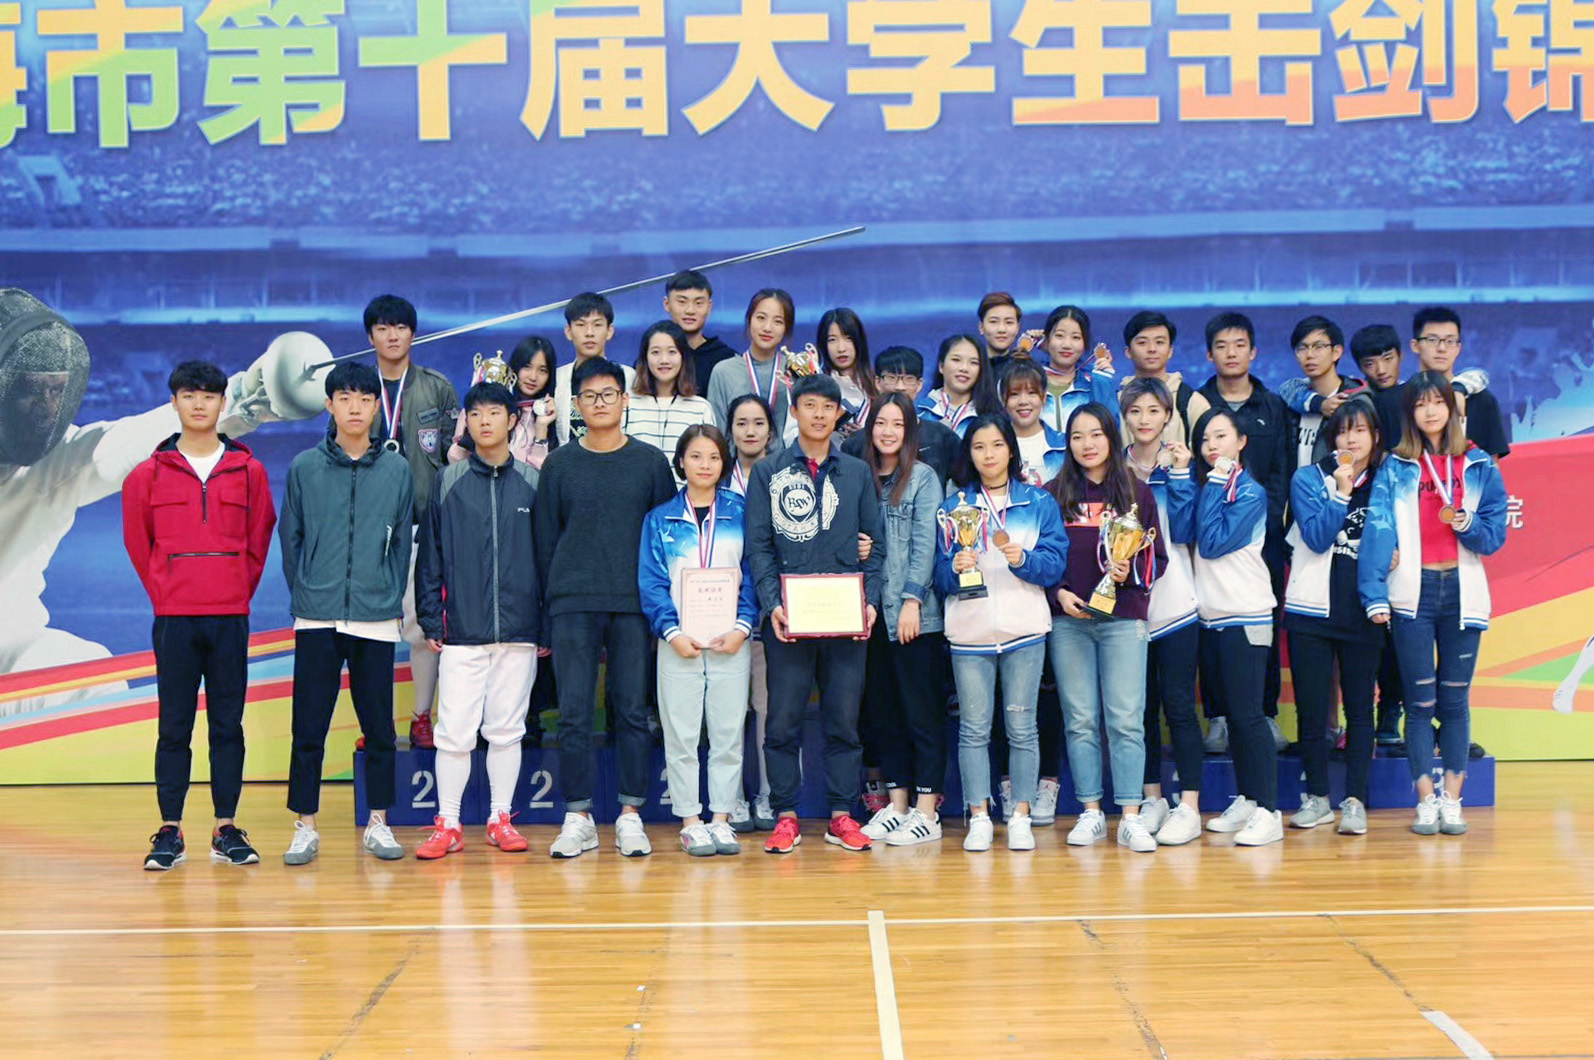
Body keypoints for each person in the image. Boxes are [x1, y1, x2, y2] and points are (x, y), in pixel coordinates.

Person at [2, 289, 323, 718]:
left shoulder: (53, 463)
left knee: (86, 677)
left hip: (11, 657)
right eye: (31, 390)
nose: (47, 408)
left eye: (56, 391)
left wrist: (249, 396)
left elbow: (127, 443)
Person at [123, 361, 277, 871]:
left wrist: (233, 590)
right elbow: (138, 543)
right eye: (188, 395)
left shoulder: (250, 472)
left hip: (229, 616)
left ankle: (225, 827)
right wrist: (167, 592)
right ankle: (170, 829)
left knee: (228, 725)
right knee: (174, 726)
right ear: (173, 402)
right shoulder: (146, 474)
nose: (198, 404)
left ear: (222, 403)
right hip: (175, 618)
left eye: (209, 396)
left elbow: (258, 540)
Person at [534, 358, 677, 859]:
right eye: (590, 396)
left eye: (608, 394)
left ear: (625, 399)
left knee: (632, 711)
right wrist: (549, 606)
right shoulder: (559, 465)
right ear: (576, 404)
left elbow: (664, 538)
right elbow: (545, 542)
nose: (600, 403)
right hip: (573, 603)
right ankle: (578, 817)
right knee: (574, 712)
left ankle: (630, 815)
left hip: (634, 604)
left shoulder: (650, 463)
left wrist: (662, 606)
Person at [1360, 373, 1508, 836]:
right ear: (1410, 413)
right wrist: (1374, 592)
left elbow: (1494, 536)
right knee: (1420, 702)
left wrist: (1469, 525)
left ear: (1452, 408)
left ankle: (1454, 802)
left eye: (1437, 402)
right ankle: (1426, 800)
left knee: (1455, 701)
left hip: (1462, 592)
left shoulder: (1478, 463)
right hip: (1414, 594)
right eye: (1420, 404)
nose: (1429, 411)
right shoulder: (1397, 466)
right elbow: (1378, 529)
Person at [278, 361, 414, 865]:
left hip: (375, 617)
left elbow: (402, 544)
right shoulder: (304, 468)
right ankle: (305, 825)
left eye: (364, 398)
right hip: (317, 615)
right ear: (330, 405)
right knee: (308, 727)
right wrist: (307, 590)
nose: (355, 407)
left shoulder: (397, 470)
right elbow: (290, 539)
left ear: (376, 406)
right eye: (345, 398)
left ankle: (379, 822)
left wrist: (387, 593)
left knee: (379, 728)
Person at [744, 373, 884, 854]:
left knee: (844, 721)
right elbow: (759, 547)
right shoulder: (768, 472)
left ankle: (842, 815)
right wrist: (773, 604)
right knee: (782, 721)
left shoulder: (857, 473)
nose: (820, 414)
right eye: (810, 405)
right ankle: (785, 815)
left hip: (846, 620)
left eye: (828, 407)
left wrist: (870, 602)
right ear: (795, 410)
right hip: (789, 619)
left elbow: (876, 547)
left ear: (838, 414)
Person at [412, 382, 545, 860]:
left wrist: (545, 623)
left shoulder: (533, 482)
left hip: (519, 629)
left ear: (513, 420)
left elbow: (548, 558)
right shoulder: (448, 481)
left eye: (494, 412)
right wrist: (432, 619)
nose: (485, 421)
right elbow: (430, 556)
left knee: (507, 730)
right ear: (465, 422)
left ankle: (500, 819)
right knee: (454, 732)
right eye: (476, 413)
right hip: (462, 631)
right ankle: (448, 824)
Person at [935, 414, 1067, 853]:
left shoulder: (1038, 502)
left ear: (1011, 450)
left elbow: (1055, 565)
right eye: (979, 447)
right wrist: (954, 570)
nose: (988, 455)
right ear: (969, 455)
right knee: (973, 730)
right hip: (969, 633)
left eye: (996, 445)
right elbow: (938, 574)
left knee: (1022, 727)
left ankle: (1021, 815)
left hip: (1023, 630)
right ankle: (978, 816)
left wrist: (1024, 560)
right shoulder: (953, 508)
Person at [1046, 404, 1165, 853]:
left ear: (1111, 437)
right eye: (1077, 436)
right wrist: (1058, 593)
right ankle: (1091, 812)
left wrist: (1130, 572)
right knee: (1079, 720)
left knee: (1126, 720)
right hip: (1069, 622)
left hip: (1124, 620)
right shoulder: (1052, 494)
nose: (1087, 444)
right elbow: (1044, 558)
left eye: (1096, 434)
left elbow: (1158, 559)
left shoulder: (1136, 492)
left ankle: (1131, 816)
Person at [638, 425, 758, 856]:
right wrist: (671, 632)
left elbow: (755, 572)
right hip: (679, 643)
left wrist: (743, 626)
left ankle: (722, 818)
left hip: (731, 640)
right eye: (696, 456)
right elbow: (651, 581)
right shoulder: (660, 519)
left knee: (728, 733)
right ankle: (690, 820)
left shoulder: (742, 512)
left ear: (723, 463)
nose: (705, 465)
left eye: (713, 457)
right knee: (681, 734)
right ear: (681, 462)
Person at [1167, 407, 1283, 847]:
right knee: (1232, 717)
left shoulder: (1249, 491)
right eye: (1205, 439)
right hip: (1210, 617)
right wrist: (1182, 476)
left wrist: (1214, 483)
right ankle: (1249, 800)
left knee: (1250, 716)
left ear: (1241, 442)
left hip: (1246, 615)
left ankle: (1269, 810)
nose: (1212, 446)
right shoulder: (1209, 486)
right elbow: (1183, 531)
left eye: (1221, 436)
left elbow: (1213, 543)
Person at [1285, 396, 1386, 836]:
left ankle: (1356, 800)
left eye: (1360, 430)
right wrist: (1341, 492)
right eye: (1343, 431)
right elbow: (1318, 536)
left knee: (1361, 710)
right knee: (1312, 710)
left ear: (1375, 437)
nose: (1351, 439)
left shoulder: (1387, 480)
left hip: (1364, 611)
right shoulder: (1310, 478)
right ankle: (1318, 798)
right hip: (1311, 611)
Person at [364, 294, 459, 753]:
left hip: (423, 529)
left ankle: (422, 717)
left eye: (400, 327)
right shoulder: (356, 389)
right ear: (371, 336)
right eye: (383, 328)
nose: (392, 336)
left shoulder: (436, 388)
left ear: (413, 333)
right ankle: (376, 723)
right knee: (371, 630)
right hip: (369, 533)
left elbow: (455, 458)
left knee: (422, 626)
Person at [1197, 312, 1293, 754]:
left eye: (1239, 345)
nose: (1231, 353)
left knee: (1261, 623)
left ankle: (1263, 712)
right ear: (1209, 354)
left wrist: (1258, 519)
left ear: (1253, 351)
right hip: (1209, 528)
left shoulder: (1273, 406)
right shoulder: (1198, 403)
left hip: (1260, 538)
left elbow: (1281, 473)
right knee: (1211, 627)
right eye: (1222, 346)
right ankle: (1218, 716)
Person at [855, 394, 948, 845]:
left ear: (910, 431)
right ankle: (897, 806)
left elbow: (927, 543)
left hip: (915, 616)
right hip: (870, 614)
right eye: (881, 423)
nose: (888, 431)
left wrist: (913, 599)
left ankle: (927, 812)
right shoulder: (859, 476)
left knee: (922, 715)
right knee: (884, 714)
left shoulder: (923, 478)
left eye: (897, 424)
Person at [1120, 378, 1203, 846]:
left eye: (1154, 410)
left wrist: (1181, 476)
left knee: (1180, 707)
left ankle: (1189, 805)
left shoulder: (1180, 467)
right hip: (1130, 609)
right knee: (1140, 711)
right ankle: (1151, 797)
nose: (1145, 419)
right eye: (1136, 411)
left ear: (1169, 415)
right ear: (1125, 417)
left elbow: (1188, 530)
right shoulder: (1113, 469)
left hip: (1175, 605)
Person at [1351, 324, 1408, 747]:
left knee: (1402, 634)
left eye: (1387, 358)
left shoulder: (1419, 398)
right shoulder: (1356, 402)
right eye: (1370, 363)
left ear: (1401, 355)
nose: (1381, 369)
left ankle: (1392, 712)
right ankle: (1361, 720)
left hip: (1407, 520)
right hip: (1362, 518)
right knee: (1366, 630)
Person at [724, 393, 777, 828]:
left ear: (771, 431)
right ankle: (733, 799)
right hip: (722, 611)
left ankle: (767, 795)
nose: (750, 431)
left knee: (766, 708)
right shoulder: (716, 477)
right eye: (741, 423)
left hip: (770, 609)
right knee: (729, 711)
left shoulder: (783, 476)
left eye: (758, 423)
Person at [1373, 307, 1511, 462]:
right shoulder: (1388, 402)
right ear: (1415, 346)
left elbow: (1492, 464)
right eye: (1432, 340)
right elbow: (1383, 461)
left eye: (1450, 341)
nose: (1441, 348)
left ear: (1458, 348)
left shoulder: (1482, 400)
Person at [845, 345, 959, 484]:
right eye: (891, 377)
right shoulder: (855, 443)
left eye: (908, 379)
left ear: (919, 384)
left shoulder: (942, 437)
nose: (900, 386)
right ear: (877, 382)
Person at [448, 335, 559, 469]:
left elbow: (538, 474)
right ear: (515, 367)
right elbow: (455, 459)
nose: (533, 377)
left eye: (542, 370)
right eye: (527, 367)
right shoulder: (478, 409)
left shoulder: (547, 415)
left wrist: (541, 428)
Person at [625, 320, 716, 479]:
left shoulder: (701, 407)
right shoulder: (627, 404)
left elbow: (710, 461)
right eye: (655, 352)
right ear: (645, 357)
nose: (664, 360)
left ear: (683, 357)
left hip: (685, 494)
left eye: (672, 352)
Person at [1277, 315, 1366, 470]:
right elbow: (1286, 388)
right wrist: (1320, 404)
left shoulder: (1354, 399)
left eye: (1318, 347)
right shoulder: (1293, 399)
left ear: (1336, 352)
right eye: (1302, 348)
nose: (1309, 355)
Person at [707, 288, 796, 440]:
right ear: (749, 320)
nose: (767, 328)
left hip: (786, 456)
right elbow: (718, 434)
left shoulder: (795, 372)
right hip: (737, 456)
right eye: (761, 318)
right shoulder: (724, 372)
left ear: (786, 328)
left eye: (778, 321)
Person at [553, 291, 635, 446]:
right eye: (581, 325)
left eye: (597, 325)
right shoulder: (557, 379)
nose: (589, 333)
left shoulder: (630, 377)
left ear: (609, 331)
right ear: (568, 331)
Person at [1120, 310, 1210, 446]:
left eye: (1159, 342)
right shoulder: (1115, 402)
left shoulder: (1192, 403)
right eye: (1142, 343)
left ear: (1170, 351)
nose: (1152, 349)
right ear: (1128, 352)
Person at [1032, 305, 1118, 433]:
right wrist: (1024, 348)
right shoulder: (1030, 382)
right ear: (1047, 340)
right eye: (1059, 336)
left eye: (1076, 337)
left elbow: (1111, 431)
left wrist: (1103, 382)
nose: (1067, 345)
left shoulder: (1093, 383)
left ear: (1085, 343)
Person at [663, 269, 739, 387]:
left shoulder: (726, 359)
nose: (690, 310)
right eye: (682, 302)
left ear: (709, 307)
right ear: (667, 304)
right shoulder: (655, 357)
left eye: (698, 303)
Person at [917, 334, 1001, 438]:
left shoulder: (991, 417)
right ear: (941, 366)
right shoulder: (919, 412)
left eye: (973, 362)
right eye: (956, 360)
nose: (964, 368)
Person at [1004, 360, 1068, 487]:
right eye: (1014, 394)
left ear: (1044, 397)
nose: (1023, 401)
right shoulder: (994, 447)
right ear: (1003, 399)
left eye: (1032, 393)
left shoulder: (1064, 445)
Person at [817, 307, 878, 435]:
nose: (841, 348)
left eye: (848, 338)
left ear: (859, 341)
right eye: (832, 340)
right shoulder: (816, 386)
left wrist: (865, 438)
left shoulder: (878, 384)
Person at [976, 291, 1034, 378]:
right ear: (981, 327)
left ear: (1018, 328)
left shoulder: (1028, 368)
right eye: (993, 322)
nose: (1001, 329)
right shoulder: (972, 367)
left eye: (1009, 322)